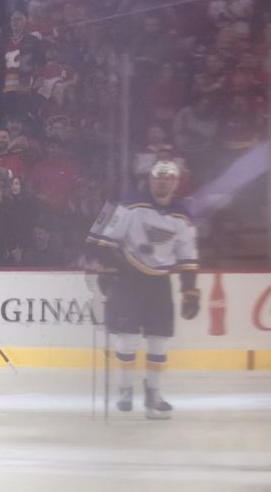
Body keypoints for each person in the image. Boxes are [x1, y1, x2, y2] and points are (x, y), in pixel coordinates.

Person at [86, 160, 200, 420]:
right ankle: (125, 390)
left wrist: (190, 291)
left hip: (160, 283)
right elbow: (101, 241)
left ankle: (154, 394)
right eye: (158, 178)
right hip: (128, 280)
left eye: (168, 178)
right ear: (150, 179)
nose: (163, 182)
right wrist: (108, 272)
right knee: (126, 338)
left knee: (159, 341)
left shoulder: (182, 216)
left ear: (176, 181)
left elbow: (188, 257)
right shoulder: (130, 206)